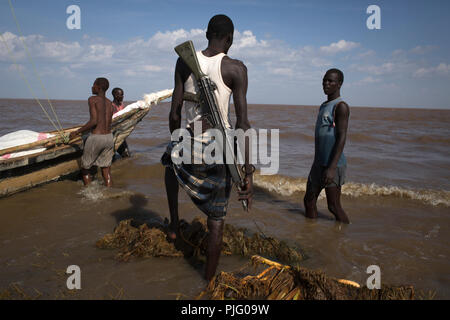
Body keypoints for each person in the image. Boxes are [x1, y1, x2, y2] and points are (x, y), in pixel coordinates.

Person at [161, 14, 254, 281]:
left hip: (186, 145)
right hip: (217, 151)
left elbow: (174, 114)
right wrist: (247, 173)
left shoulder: (183, 61)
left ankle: (174, 223)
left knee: (169, 163)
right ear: (230, 39)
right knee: (216, 222)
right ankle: (208, 284)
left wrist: (177, 143)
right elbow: (243, 125)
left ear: (206, 34)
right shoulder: (236, 68)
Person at [303, 68, 350, 224]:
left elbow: (342, 137)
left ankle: (344, 232)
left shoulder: (341, 106)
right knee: (309, 201)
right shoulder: (324, 105)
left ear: (339, 84)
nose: (326, 83)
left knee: (333, 206)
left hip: (332, 165)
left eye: (330, 81)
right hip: (318, 164)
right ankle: (311, 234)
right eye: (324, 80)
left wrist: (331, 167)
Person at [69, 77, 114, 187]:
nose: (91, 87)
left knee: (85, 168)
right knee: (106, 170)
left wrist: (77, 132)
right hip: (109, 138)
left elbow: (94, 121)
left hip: (96, 138)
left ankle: (89, 195)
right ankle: (109, 191)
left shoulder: (92, 99)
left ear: (98, 88)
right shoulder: (110, 103)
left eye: (93, 85)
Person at [111, 87, 131, 157]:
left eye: (123, 95)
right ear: (116, 96)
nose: (123, 96)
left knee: (126, 155)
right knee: (112, 157)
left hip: (121, 134)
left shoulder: (121, 105)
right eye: (121, 95)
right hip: (113, 136)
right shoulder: (111, 106)